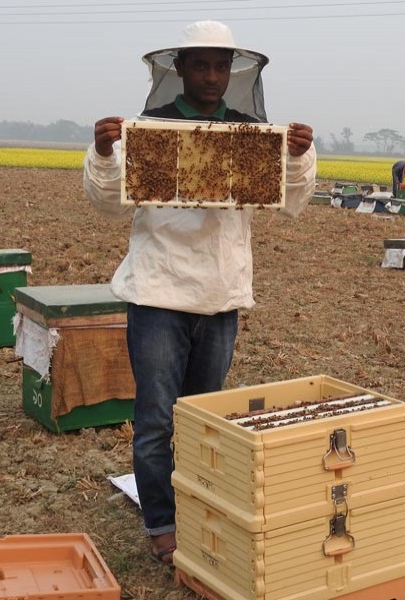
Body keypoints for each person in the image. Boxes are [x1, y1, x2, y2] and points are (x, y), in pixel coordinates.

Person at [81, 20, 316, 566]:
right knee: (157, 419)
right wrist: (104, 154)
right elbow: (110, 204)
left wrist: (298, 157)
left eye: (219, 66)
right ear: (181, 69)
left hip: (220, 297)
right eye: (200, 64)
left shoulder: (248, 134)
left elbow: (291, 201)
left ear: (232, 73)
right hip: (158, 294)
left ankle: (202, 508)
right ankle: (162, 523)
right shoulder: (151, 130)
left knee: (203, 419)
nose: (211, 75)